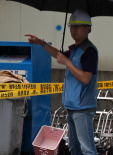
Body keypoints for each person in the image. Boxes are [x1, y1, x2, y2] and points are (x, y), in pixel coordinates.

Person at [26, 10, 98, 155]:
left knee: (87, 150)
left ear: (88, 28)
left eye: (78, 26)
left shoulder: (89, 50)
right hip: (72, 108)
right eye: (71, 26)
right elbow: (57, 54)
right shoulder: (74, 49)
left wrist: (67, 62)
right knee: (74, 149)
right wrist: (41, 42)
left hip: (82, 108)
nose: (73, 29)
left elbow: (85, 78)